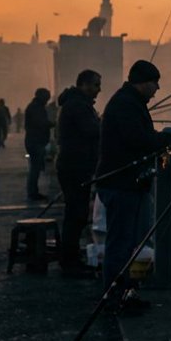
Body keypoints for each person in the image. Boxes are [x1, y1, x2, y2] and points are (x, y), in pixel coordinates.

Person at [95, 60, 171, 311]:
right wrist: (168, 138)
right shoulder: (126, 104)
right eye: (154, 82)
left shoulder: (128, 102)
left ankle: (122, 294)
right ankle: (114, 297)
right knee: (120, 244)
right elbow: (136, 139)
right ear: (142, 82)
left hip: (123, 183)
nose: (157, 88)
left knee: (125, 243)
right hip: (121, 184)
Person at [56, 70, 103, 278]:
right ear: (83, 85)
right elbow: (91, 131)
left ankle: (70, 258)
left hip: (73, 165)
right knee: (76, 215)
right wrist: (103, 124)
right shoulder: (77, 105)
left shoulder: (77, 104)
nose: (98, 89)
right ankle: (70, 261)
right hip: (75, 166)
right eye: (95, 85)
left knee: (75, 214)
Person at [23, 88, 53, 201]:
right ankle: (32, 192)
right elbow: (41, 123)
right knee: (35, 168)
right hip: (35, 141)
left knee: (35, 168)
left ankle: (33, 191)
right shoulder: (36, 108)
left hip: (35, 140)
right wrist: (53, 123)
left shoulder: (35, 106)